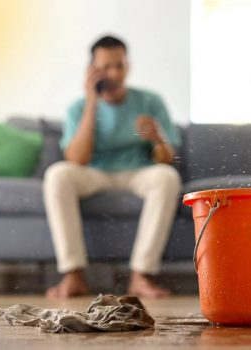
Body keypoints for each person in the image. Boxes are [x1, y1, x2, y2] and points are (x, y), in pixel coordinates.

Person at [43, 35, 182, 299]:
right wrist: (92, 102)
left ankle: (141, 276)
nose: (114, 73)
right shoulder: (78, 108)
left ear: (128, 65)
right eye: (106, 67)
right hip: (93, 172)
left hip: (138, 172)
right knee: (57, 174)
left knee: (167, 177)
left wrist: (157, 139)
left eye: (119, 65)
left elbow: (165, 158)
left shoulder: (151, 102)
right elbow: (77, 159)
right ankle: (73, 274)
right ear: (92, 69)